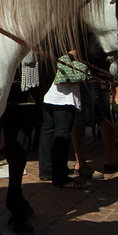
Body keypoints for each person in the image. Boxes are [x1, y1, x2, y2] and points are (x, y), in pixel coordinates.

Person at [39, 52, 88, 189]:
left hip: (48, 92)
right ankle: (60, 177)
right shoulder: (67, 41)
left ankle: (47, 170)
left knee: (48, 129)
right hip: (63, 94)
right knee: (62, 132)